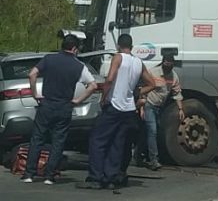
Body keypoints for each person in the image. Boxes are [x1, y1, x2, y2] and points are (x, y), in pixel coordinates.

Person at [78, 34, 154, 190]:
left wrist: (104, 97)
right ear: (131, 47)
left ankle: (96, 177)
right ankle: (112, 177)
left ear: (119, 46)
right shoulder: (138, 62)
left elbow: (110, 78)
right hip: (128, 109)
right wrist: (136, 92)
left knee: (97, 140)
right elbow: (152, 83)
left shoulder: (118, 57)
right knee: (117, 144)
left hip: (114, 105)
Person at [22, 35, 97, 185]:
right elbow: (93, 86)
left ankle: (29, 173)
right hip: (64, 106)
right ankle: (50, 176)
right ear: (74, 49)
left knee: (37, 139)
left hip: (46, 104)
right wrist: (77, 100)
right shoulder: (79, 66)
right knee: (58, 141)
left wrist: (35, 94)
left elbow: (32, 74)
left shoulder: (49, 59)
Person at [140, 53, 185, 170]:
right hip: (149, 104)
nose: (168, 65)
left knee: (152, 132)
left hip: (160, 107)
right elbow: (143, 89)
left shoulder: (173, 77)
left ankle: (138, 154)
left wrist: (180, 109)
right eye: (166, 63)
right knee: (152, 131)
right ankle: (154, 160)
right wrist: (141, 106)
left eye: (170, 64)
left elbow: (177, 93)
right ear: (163, 62)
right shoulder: (152, 72)